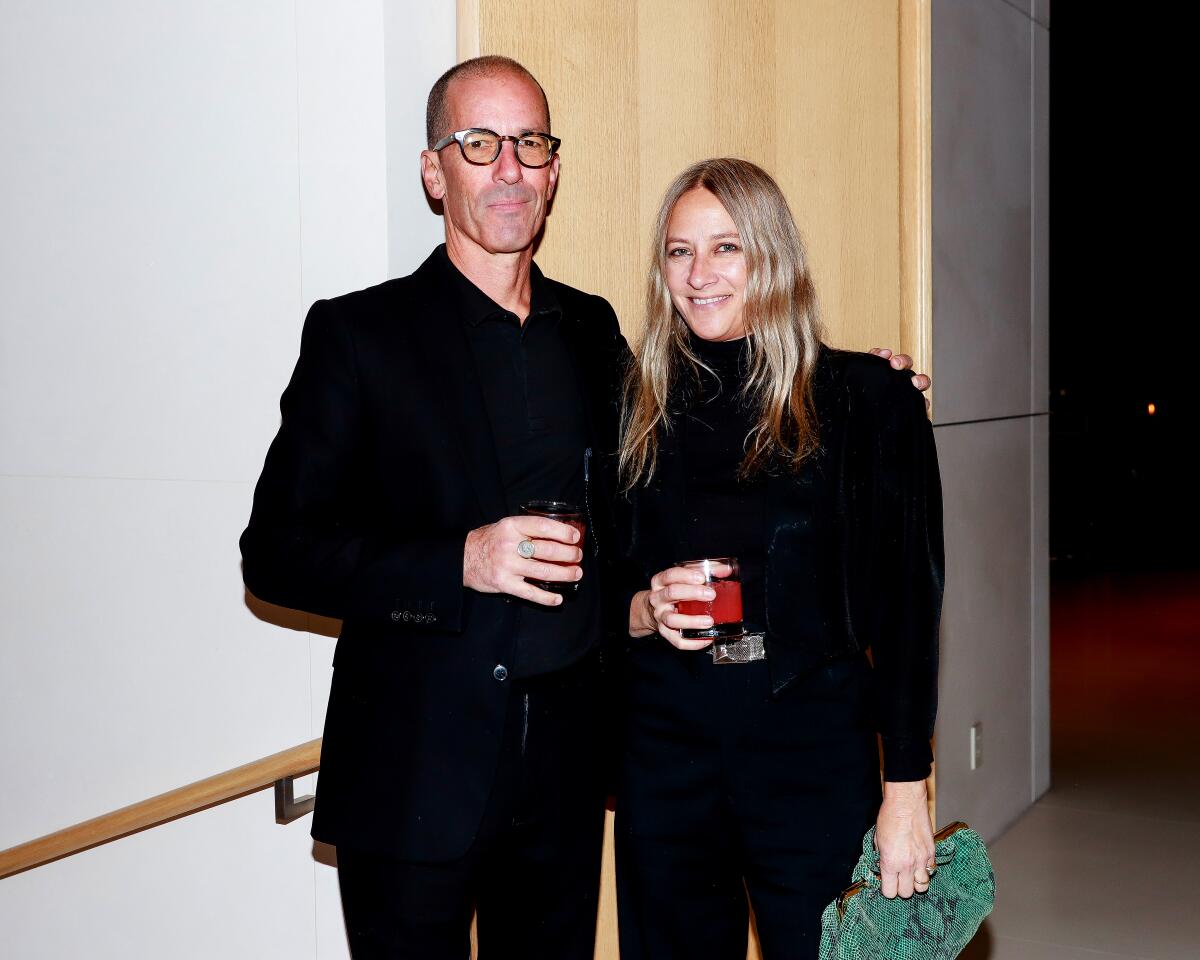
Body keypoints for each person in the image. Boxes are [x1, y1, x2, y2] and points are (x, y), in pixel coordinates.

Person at [241, 55, 929, 958]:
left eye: (529, 143)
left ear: (554, 170)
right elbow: (277, 551)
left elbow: (654, 510)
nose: (509, 169)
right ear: (432, 171)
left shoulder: (596, 336)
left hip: (569, 784)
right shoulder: (359, 334)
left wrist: (862, 385)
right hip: (417, 777)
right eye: (478, 144)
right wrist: (460, 560)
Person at [614, 158, 944, 960]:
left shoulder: (869, 400)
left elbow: (909, 606)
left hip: (811, 746)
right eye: (679, 252)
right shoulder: (632, 402)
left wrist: (906, 789)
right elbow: (603, 579)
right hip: (666, 753)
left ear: (774, 257)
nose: (700, 275)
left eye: (727, 248)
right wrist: (643, 607)